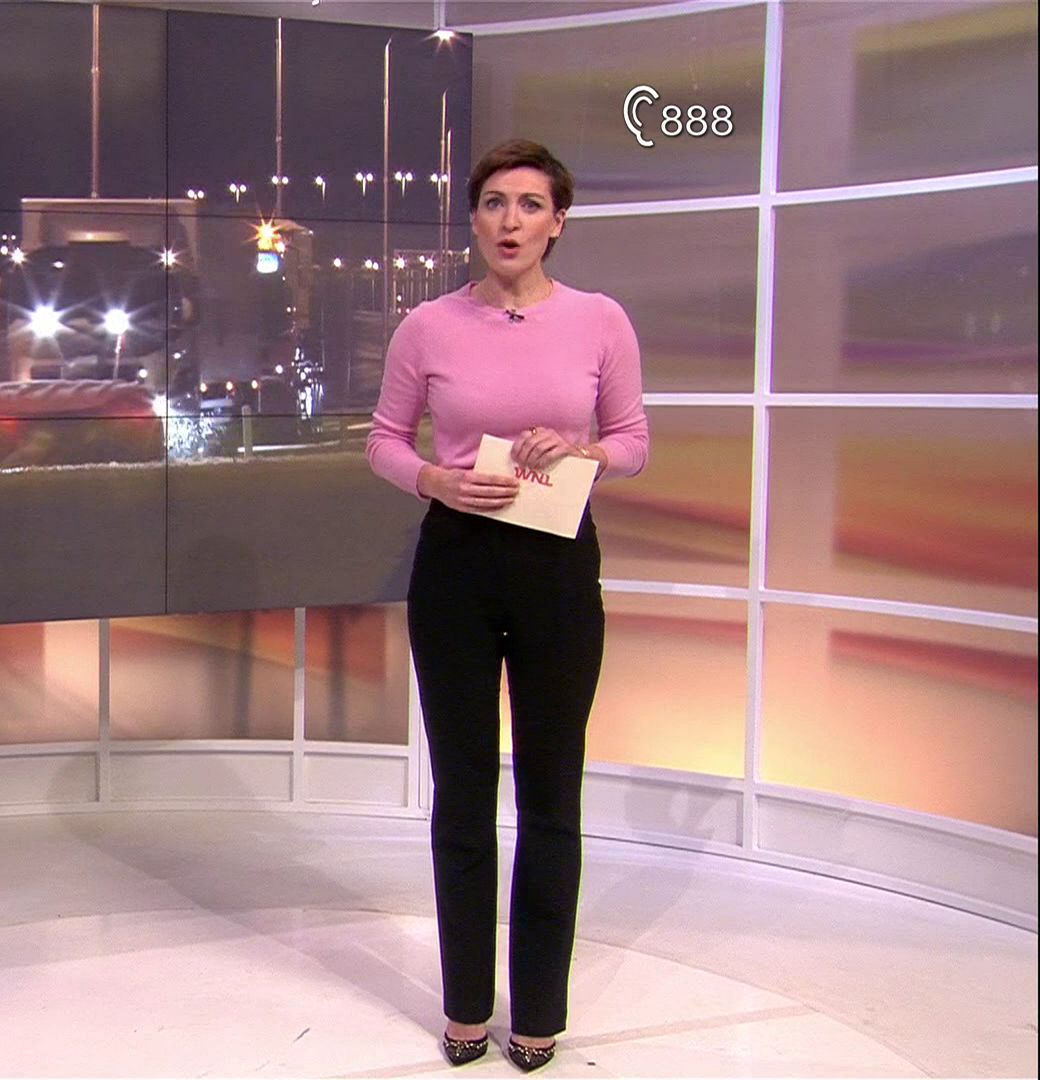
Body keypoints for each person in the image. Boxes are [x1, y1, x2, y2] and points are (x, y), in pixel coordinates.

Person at [366, 139, 650, 1072]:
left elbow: (633, 439)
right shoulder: (428, 326)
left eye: (530, 204)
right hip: (456, 564)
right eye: (494, 203)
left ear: (557, 221)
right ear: (475, 220)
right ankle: (462, 1005)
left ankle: (538, 1012)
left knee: (551, 791)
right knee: (462, 792)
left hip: (557, 565)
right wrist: (436, 480)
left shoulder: (600, 319)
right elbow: (383, 441)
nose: (510, 220)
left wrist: (583, 451)